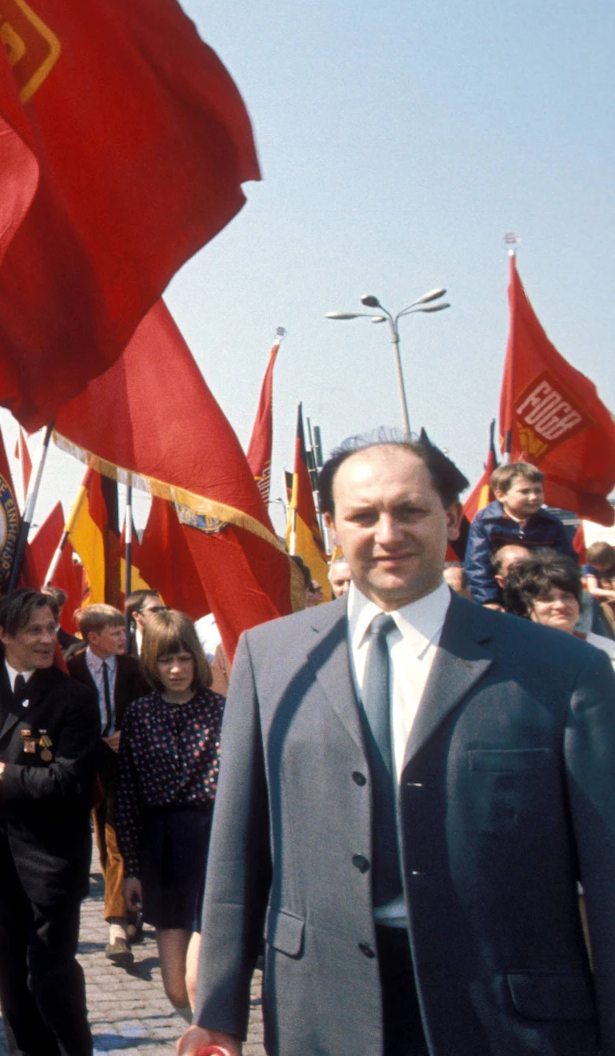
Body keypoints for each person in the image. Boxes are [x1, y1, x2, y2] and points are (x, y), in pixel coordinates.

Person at [184, 430, 615, 1056]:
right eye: (363, 516)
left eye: (409, 510)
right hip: (322, 1012)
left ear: (449, 516)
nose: (388, 534)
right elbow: (237, 850)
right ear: (331, 526)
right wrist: (218, 1012)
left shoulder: (559, 669)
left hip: (507, 1018)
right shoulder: (270, 657)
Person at [0, 589, 99, 1056]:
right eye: (34, 629)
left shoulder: (74, 699)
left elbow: (69, 781)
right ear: (3, 634)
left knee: (51, 980)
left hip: (51, 863)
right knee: (11, 987)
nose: (47, 638)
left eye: (51, 628)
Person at [113, 609, 224, 1020]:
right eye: (165, 659)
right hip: (161, 847)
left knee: (202, 978)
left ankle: (213, 1040)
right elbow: (126, 796)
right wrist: (132, 869)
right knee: (175, 984)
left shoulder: (221, 710)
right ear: (152, 663)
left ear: (197, 657)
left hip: (212, 841)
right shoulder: (140, 715)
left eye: (184, 658)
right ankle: (197, 1030)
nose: (176, 669)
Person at [66, 603, 151, 964]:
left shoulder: (134, 669)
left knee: (115, 839)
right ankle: (127, 911)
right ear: (93, 637)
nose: (123, 636)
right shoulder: (69, 669)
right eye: (115, 632)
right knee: (93, 842)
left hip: (124, 766)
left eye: (123, 630)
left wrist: (126, 737)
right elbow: (61, 719)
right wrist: (97, 741)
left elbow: (148, 711)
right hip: (85, 767)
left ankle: (117, 925)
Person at [461, 461, 578, 608]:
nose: (534, 497)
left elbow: (567, 564)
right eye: (525, 492)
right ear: (501, 495)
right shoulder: (486, 522)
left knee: (587, 602)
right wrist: (489, 600)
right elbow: (477, 565)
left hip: (541, 593)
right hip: (502, 593)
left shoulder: (551, 524)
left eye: (538, 491)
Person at [503, 552, 615, 666]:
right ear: (525, 607)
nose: (560, 605)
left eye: (567, 596)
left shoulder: (606, 650)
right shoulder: (513, 655)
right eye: (546, 598)